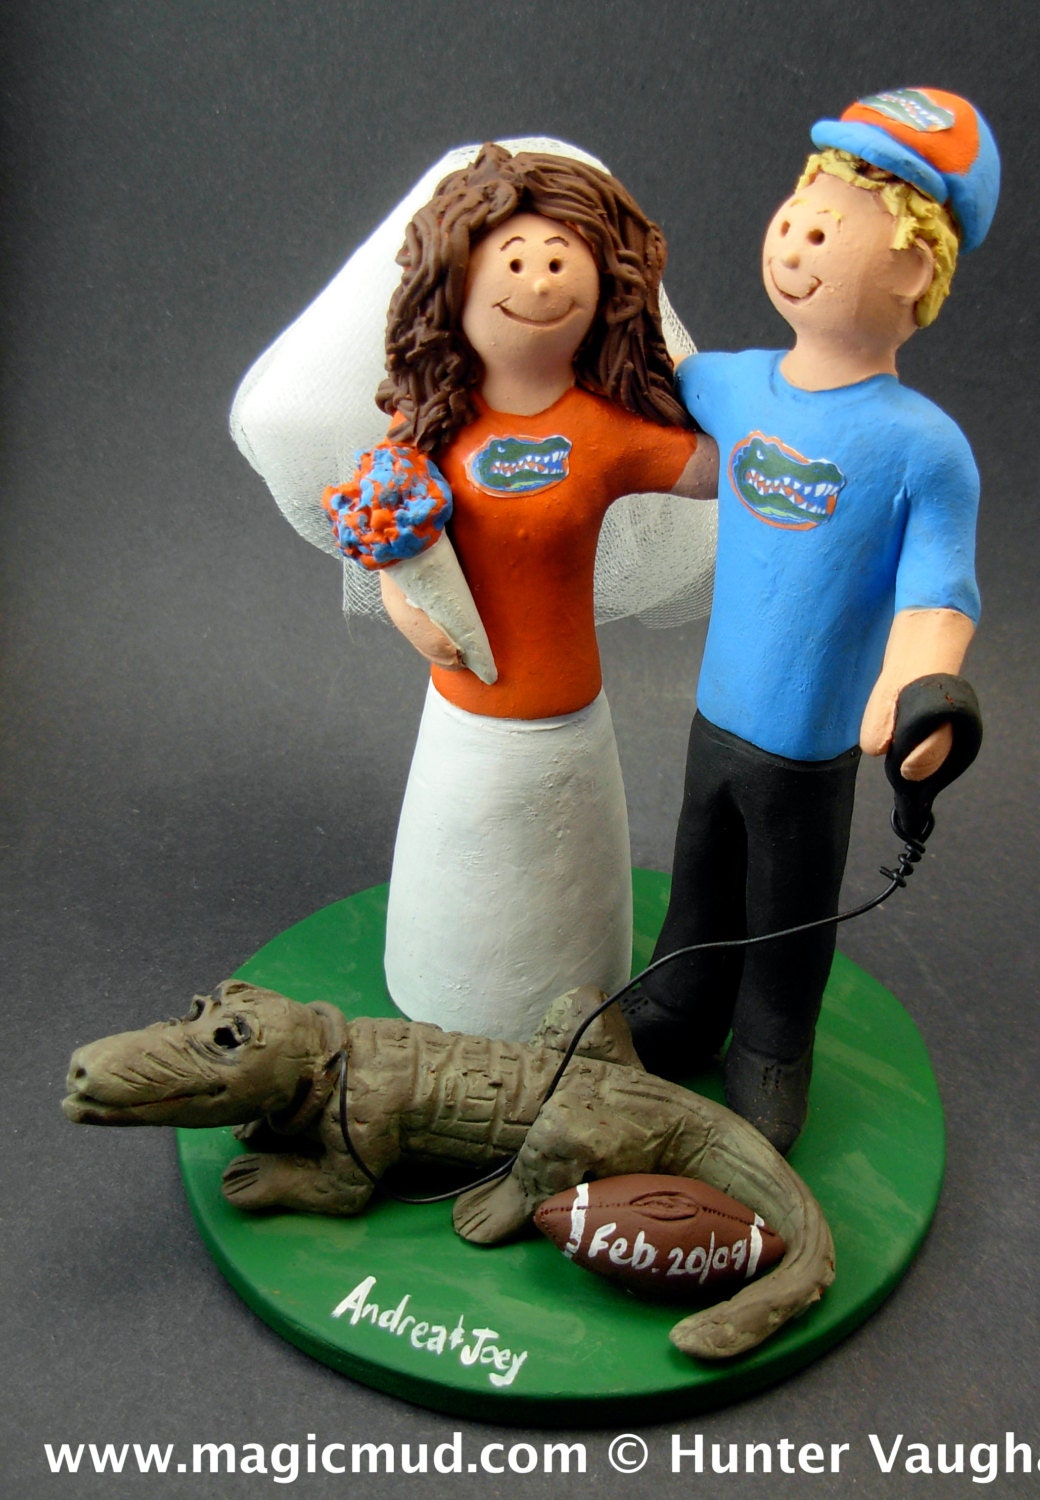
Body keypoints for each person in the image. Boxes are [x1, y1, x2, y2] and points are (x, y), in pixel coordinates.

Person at [623, 88, 1000, 1152]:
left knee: (788, 915)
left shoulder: (924, 448)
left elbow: (938, 595)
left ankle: (770, 1051)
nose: (792, 246)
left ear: (912, 270)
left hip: (810, 751)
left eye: (825, 234)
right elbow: (650, 391)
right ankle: (677, 1007)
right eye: (792, 220)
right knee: (699, 878)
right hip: (714, 719)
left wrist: (917, 695)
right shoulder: (733, 386)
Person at [327, 143, 716, 1041]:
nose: (536, 281)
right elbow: (387, 535)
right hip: (465, 721)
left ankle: (574, 1002)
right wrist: (405, 607)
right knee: (460, 901)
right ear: (451, 288)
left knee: (568, 912)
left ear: (606, 286)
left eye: (558, 259)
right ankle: (444, 993)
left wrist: (773, 414)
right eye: (511, 262)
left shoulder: (603, 430)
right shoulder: (430, 425)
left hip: (570, 722)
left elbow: (709, 470)